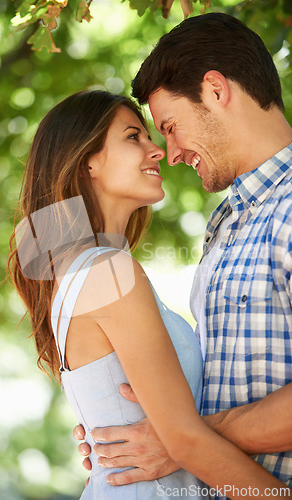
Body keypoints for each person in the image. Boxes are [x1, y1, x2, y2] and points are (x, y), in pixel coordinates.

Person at [8, 89, 290, 500]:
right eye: (132, 137)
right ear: (89, 159)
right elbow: (185, 442)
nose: (157, 150)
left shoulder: (84, 269)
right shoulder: (109, 272)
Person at [73, 12, 292, 493]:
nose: (169, 154)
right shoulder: (225, 223)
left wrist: (179, 439)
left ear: (215, 90)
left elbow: (184, 434)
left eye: (169, 127)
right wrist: (114, 417)